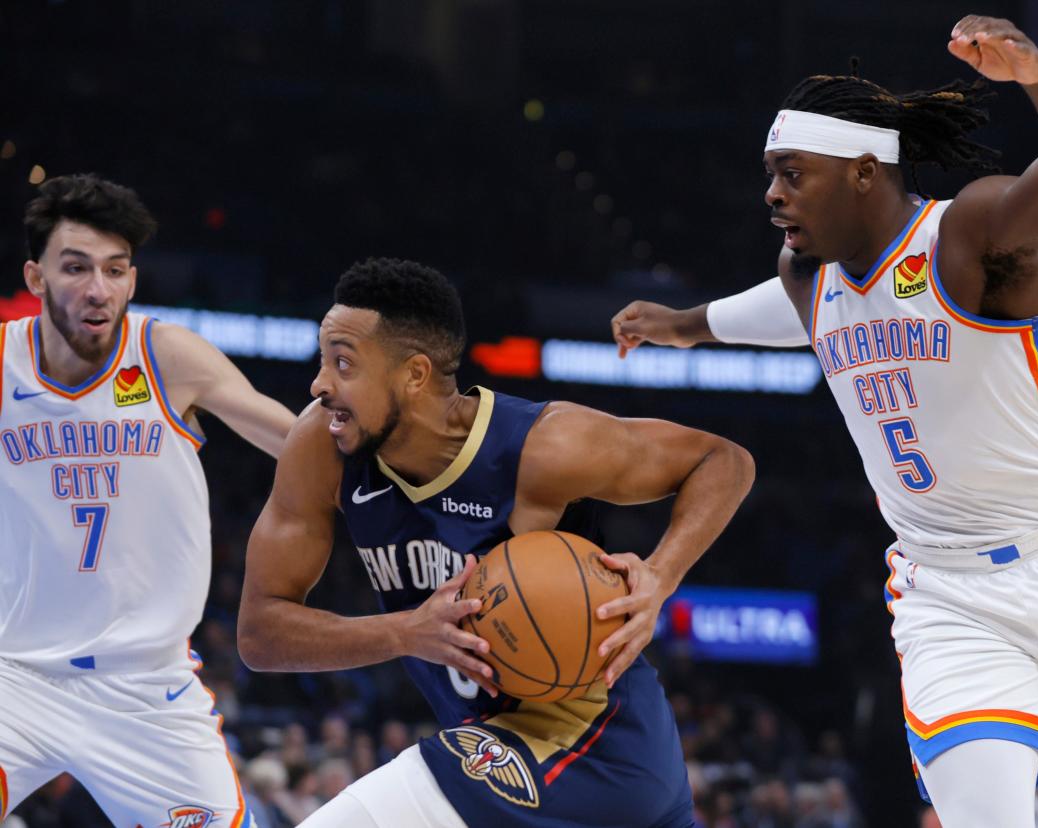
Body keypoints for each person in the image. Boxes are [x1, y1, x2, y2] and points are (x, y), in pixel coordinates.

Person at [610, 14, 1038, 828]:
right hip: (945, 590)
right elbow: (786, 312)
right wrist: (683, 324)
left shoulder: (968, 235)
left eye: (792, 172)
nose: (772, 193)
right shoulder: (808, 274)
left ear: (864, 172)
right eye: (772, 173)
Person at [237, 258, 754, 827]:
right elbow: (260, 635)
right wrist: (404, 632)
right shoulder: (323, 446)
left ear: (414, 374)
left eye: (343, 364)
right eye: (323, 361)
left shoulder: (543, 447)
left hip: (597, 746)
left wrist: (661, 576)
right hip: (501, 751)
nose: (319, 384)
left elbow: (723, 460)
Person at [0, 174, 295, 825]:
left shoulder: (166, 357)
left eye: (115, 269)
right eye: (74, 268)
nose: (97, 288)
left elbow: (292, 441)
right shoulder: (3, 364)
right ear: (36, 276)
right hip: (13, 673)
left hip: (143, 684)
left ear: (132, 280)